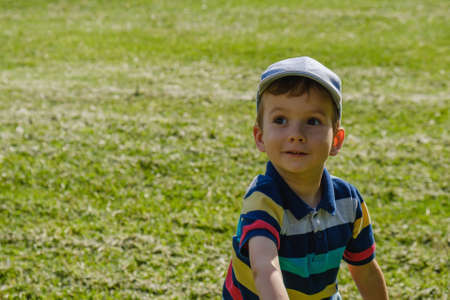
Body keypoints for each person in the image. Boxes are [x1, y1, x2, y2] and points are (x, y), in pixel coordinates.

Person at [222, 57, 388, 300]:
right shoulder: (263, 199)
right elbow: (265, 268)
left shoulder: (348, 201)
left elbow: (365, 270)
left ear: (336, 140)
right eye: (280, 120)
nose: (296, 134)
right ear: (260, 136)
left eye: (313, 121)